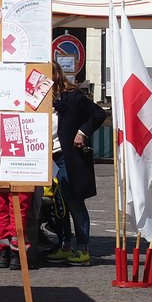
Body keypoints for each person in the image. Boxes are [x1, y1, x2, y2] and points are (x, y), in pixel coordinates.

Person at [47, 62, 107, 264]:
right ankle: (64, 244)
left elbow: (98, 113)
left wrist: (82, 133)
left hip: (67, 157)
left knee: (73, 201)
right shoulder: (37, 100)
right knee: (57, 204)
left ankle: (82, 248)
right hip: (47, 158)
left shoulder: (72, 97)